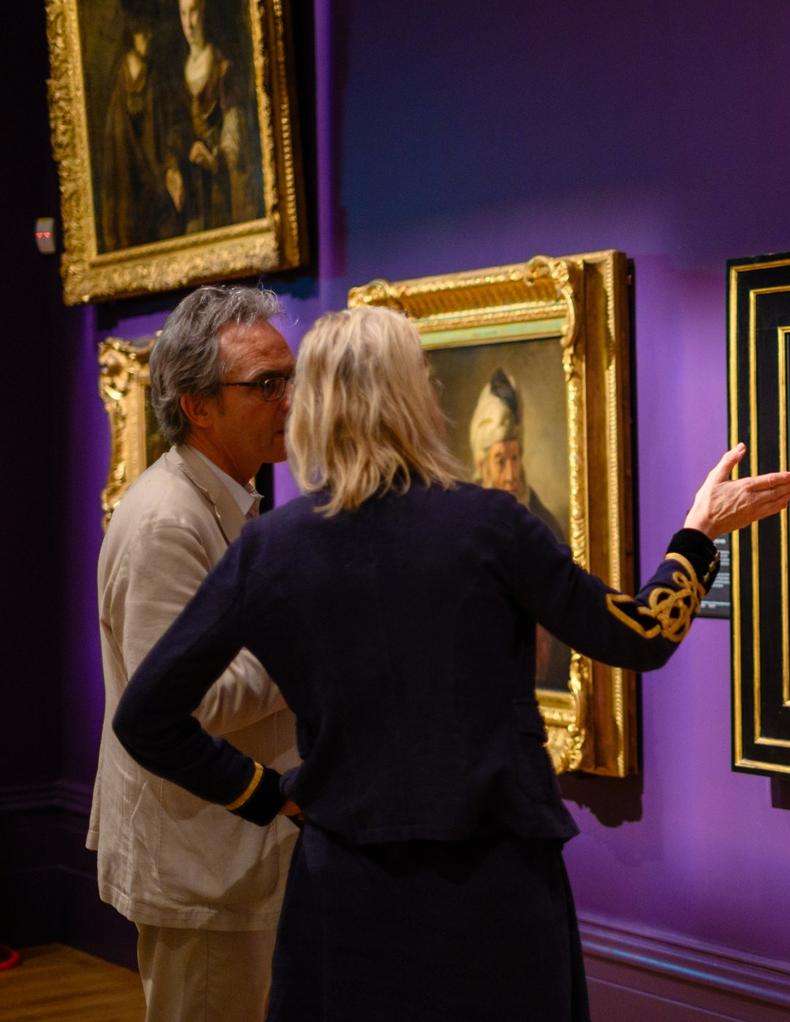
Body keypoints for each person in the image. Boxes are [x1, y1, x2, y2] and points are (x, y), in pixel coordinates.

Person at [112, 305, 790, 1020]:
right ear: (417, 396)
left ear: (312, 403)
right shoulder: (490, 525)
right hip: (494, 883)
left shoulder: (272, 548)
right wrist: (698, 532)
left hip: (346, 887)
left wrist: (263, 793)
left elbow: (146, 715)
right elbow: (642, 636)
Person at [90, 285, 298, 1021]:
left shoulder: (228, 496)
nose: (290, 399)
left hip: (235, 848)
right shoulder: (164, 523)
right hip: (201, 862)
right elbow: (193, 699)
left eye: (291, 376)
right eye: (266, 384)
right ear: (197, 406)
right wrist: (315, 636)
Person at [469, 367, 571, 688]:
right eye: (501, 461)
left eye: (516, 458)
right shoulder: (463, 527)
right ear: (482, 465)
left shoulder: (545, 528)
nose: (512, 474)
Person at [164, 0, 260, 233]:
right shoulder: (178, 76)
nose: (188, 23)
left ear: (204, 13)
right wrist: (173, 168)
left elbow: (234, 134)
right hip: (193, 198)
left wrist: (214, 157)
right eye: (183, 14)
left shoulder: (223, 69)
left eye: (194, 12)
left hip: (221, 191)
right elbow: (175, 133)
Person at [98, 4, 177, 251]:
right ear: (132, 37)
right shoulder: (119, 81)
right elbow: (116, 136)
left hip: (153, 167)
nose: (149, 38)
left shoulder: (155, 78)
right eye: (144, 34)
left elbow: (167, 122)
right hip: (128, 172)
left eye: (150, 33)